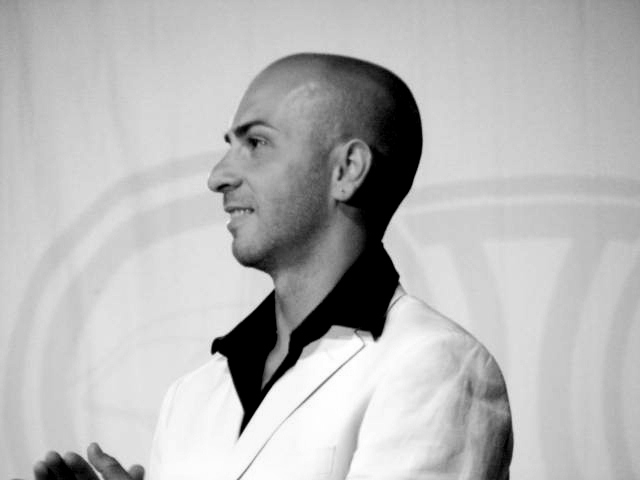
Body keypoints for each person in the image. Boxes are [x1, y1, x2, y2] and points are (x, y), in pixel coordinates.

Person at [29, 53, 513, 480]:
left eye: (256, 143)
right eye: (230, 145)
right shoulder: (194, 394)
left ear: (347, 170)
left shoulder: (437, 365)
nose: (218, 176)